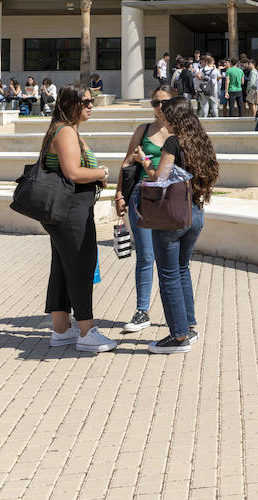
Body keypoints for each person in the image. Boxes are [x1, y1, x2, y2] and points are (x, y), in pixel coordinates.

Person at [139, 95, 219, 354]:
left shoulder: (173, 142)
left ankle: (179, 336)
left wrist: (145, 162)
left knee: (169, 273)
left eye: (166, 116)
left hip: (173, 216)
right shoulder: (201, 140)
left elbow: (160, 178)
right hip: (196, 212)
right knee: (182, 269)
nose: (163, 119)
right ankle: (189, 325)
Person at [39, 84, 115, 353]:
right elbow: (73, 172)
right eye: (85, 102)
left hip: (66, 211)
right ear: (70, 104)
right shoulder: (66, 132)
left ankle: (61, 329)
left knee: (62, 267)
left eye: (91, 101)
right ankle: (87, 331)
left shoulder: (62, 130)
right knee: (81, 267)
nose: (91, 105)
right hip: (71, 212)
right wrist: (101, 173)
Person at [115, 85, 173, 335]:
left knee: (172, 260)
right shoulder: (143, 130)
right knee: (146, 257)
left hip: (171, 198)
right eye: (154, 103)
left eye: (162, 103)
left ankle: (178, 314)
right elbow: (128, 162)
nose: (158, 108)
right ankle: (142, 311)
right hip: (142, 196)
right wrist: (119, 193)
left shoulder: (180, 132)